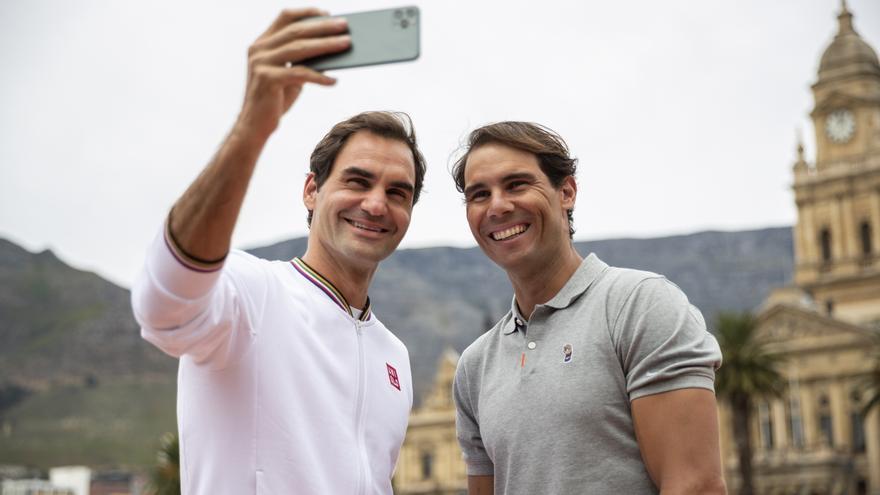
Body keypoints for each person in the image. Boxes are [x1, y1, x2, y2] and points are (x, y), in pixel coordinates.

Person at [130, 9, 426, 494]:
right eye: (357, 180)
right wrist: (252, 126)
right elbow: (163, 307)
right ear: (312, 190)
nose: (376, 204)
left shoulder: (395, 355)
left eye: (398, 192)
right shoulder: (253, 293)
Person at [450, 122, 725, 494]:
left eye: (516, 184)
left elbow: (695, 486)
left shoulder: (640, 305)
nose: (497, 206)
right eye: (479, 194)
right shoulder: (474, 366)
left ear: (566, 191)